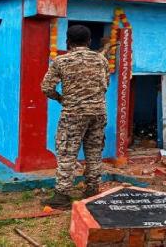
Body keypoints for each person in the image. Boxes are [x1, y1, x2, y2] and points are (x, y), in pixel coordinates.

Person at [40, 25, 109, 210]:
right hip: (99, 112)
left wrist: (62, 99)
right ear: (89, 41)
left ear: (68, 42)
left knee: (67, 153)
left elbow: (46, 87)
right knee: (94, 151)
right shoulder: (101, 59)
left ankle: (62, 196)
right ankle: (92, 190)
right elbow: (106, 84)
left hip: (73, 114)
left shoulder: (61, 61)